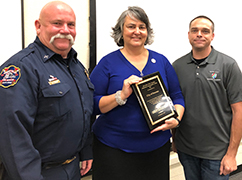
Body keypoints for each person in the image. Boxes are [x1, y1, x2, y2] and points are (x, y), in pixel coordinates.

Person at [0, 1, 94, 179]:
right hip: (39, 172)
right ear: (38, 26)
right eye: (57, 23)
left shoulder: (76, 66)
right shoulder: (21, 68)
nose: (65, 30)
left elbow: (84, 110)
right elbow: (13, 136)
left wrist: (86, 150)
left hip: (73, 168)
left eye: (71, 24)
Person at [90, 6, 185, 180]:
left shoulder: (161, 61)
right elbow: (92, 105)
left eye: (142, 27)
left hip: (156, 148)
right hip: (113, 149)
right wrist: (120, 96)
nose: (137, 32)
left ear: (147, 32)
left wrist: (176, 119)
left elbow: (177, 96)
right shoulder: (107, 63)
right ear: (121, 31)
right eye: (131, 26)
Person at [172, 15, 242, 180]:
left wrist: (232, 154)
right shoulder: (177, 66)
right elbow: (175, 104)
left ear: (212, 36)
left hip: (217, 153)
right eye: (195, 30)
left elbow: (238, 111)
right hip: (186, 150)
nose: (199, 34)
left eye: (205, 31)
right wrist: (174, 139)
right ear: (188, 34)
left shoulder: (228, 65)